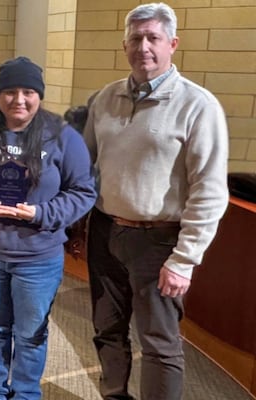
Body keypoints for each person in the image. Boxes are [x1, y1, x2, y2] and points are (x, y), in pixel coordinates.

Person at [83, 3, 229, 399]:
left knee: (159, 344)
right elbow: (82, 164)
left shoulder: (198, 106)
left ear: (172, 44)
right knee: (107, 331)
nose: (143, 47)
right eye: (135, 38)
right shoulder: (105, 99)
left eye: (153, 38)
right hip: (105, 232)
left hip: (160, 243)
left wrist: (185, 259)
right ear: (124, 45)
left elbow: (210, 190)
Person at [0, 56, 96, 400]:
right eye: (10, 91)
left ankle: (26, 394)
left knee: (30, 333)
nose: (19, 100)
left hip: (38, 257)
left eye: (28, 91)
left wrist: (42, 213)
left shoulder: (62, 136)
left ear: (39, 94)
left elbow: (84, 192)